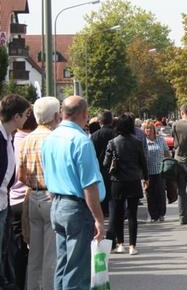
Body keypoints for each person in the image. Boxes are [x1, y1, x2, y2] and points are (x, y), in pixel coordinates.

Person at [40, 96, 106, 289]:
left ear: (62, 113)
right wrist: (99, 219)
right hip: (77, 207)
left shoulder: (50, 138)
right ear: (84, 114)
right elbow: (89, 186)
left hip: (57, 204)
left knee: (63, 265)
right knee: (77, 271)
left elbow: (48, 172)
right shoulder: (81, 141)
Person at [17, 96, 60, 290]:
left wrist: (33, 184)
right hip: (51, 196)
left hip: (32, 196)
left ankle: (32, 287)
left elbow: (20, 175)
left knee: (34, 252)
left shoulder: (27, 139)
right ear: (56, 116)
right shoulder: (54, 139)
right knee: (51, 254)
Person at [104, 113, 149, 255]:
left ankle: (120, 244)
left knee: (118, 213)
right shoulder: (137, 142)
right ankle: (132, 246)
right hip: (133, 180)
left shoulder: (113, 142)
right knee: (132, 214)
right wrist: (146, 178)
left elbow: (106, 163)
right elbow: (143, 162)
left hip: (117, 181)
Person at [0, 95, 30, 288]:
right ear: (17, 116)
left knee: (5, 251)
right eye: (26, 114)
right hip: (2, 201)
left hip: (5, 201)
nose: (28, 118)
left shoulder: (9, 136)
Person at [91, 110, 117, 216]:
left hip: (99, 169)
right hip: (115, 169)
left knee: (102, 191)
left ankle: (103, 210)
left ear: (99, 121)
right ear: (111, 120)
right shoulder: (116, 134)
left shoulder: (94, 136)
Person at [143, 121, 170, 223]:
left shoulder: (160, 139)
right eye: (146, 128)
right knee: (150, 194)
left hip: (160, 171)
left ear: (154, 130)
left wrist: (169, 163)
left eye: (150, 128)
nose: (148, 130)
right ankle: (153, 215)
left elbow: (167, 152)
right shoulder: (143, 142)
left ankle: (161, 214)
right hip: (148, 172)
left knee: (161, 193)